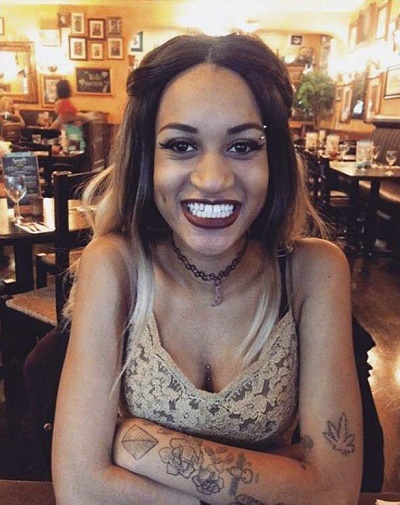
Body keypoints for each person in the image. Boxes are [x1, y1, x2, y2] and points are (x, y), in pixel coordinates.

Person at [52, 33, 362, 505]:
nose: (213, 179)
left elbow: (333, 492)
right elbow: (79, 490)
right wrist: (282, 475)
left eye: (243, 146)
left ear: (274, 159)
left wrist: (136, 444)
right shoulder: (115, 265)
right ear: (146, 158)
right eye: (181, 145)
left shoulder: (314, 272)